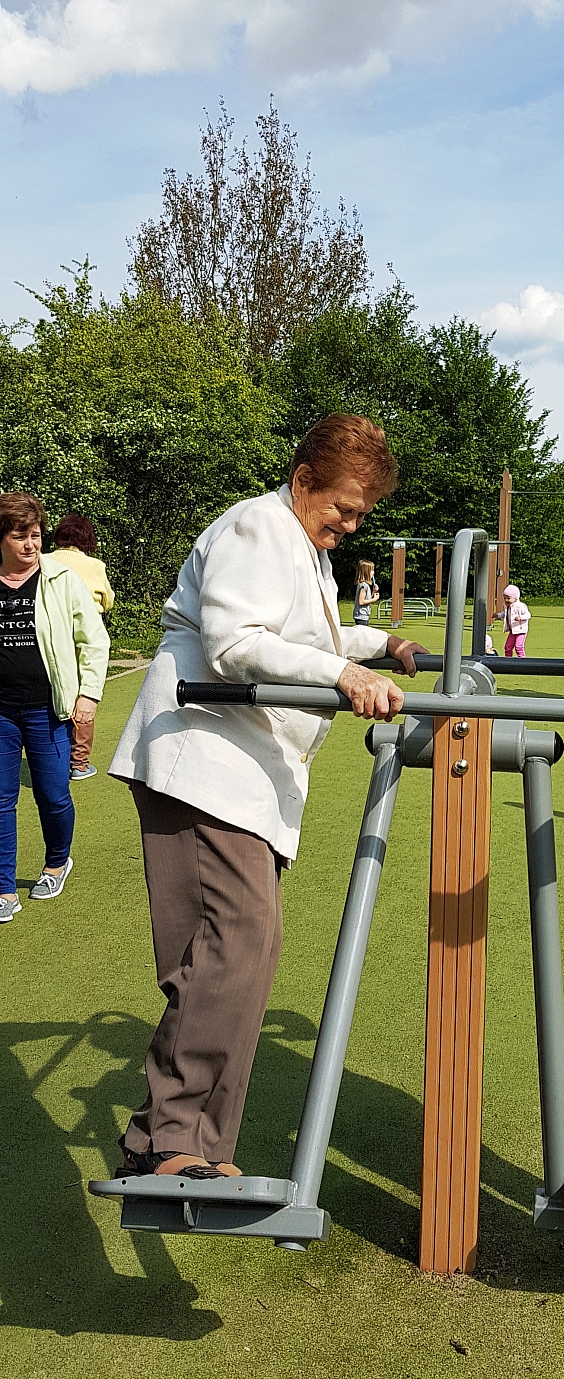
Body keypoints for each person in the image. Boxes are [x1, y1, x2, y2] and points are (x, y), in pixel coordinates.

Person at [108, 414, 427, 1180]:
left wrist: (380, 645)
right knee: (237, 940)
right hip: (202, 761)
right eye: (344, 506)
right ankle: (171, 1139)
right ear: (304, 478)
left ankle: (177, 1141)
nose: (351, 524)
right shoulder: (257, 526)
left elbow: (309, 635)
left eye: (361, 513)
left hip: (240, 776)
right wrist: (345, 674)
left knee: (237, 949)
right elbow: (235, 642)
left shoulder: (304, 547)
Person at [0, 492, 110, 924]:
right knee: (1, 801)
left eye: (35, 535)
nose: (30, 544)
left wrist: (88, 695)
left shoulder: (61, 579)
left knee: (53, 795)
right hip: (1, 714)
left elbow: (94, 641)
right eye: (19, 536)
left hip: (47, 710)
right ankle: (4, 888)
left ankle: (57, 861)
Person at [48, 514, 115, 780]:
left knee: (54, 693)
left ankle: (54, 756)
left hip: (53, 634)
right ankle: (79, 763)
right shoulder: (95, 565)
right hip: (86, 634)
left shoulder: (43, 561)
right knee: (85, 695)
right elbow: (107, 600)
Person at [502, 584, 530, 657]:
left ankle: (522, 660)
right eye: (505, 598)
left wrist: (520, 617)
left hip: (521, 631)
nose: (506, 600)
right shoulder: (508, 606)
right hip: (513, 630)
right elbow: (505, 614)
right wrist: (498, 615)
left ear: (515, 598)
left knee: (518, 647)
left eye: (508, 598)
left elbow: (528, 615)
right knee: (508, 647)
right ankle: (508, 660)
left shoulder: (520, 606)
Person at [352, 559, 380, 625]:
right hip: (361, 616)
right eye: (372, 570)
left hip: (364, 616)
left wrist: (373, 592)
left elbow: (367, 598)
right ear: (366, 572)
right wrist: (374, 599)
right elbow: (361, 601)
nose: (373, 573)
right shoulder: (363, 586)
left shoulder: (365, 585)